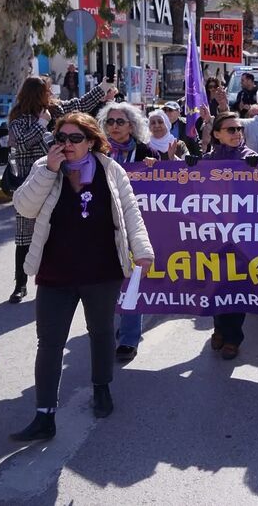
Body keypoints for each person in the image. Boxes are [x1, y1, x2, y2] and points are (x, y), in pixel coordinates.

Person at [9, 113, 153, 441]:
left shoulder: (110, 169)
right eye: (61, 138)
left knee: (101, 333)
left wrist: (142, 249)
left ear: (90, 141)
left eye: (75, 139)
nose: (67, 145)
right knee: (49, 343)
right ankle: (44, 415)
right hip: (55, 273)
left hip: (101, 271)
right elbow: (24, 208)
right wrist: (49, 170)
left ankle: (102, 388)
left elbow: (131, 212)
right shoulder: (45, 169)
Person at [6, 76, 115, 304]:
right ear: (37, 93)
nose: (51, 94)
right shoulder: (19, 118)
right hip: (31, 180)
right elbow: (22, 142)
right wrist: (41, 124)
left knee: (53, 228)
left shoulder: (55, 109)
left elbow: (81, 105)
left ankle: (52, 280)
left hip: (58, 180)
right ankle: (20, 284)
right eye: (46, 91)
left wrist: (103, 87)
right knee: (25, 234)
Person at [96, 102, 155, 362]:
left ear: (132, 125)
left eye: (120, 122)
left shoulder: (145, 152)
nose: (114, 127)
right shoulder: (96, 151)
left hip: (133, 225)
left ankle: (129, 339)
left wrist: (156, 167)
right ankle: (106, 330)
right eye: (110, 122)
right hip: (101, 226)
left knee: (132, 281)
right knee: (104, 284)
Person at [202, 112, 258, 359]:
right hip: (214, 232)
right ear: (217, 134)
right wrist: (189, 164)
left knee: (238, 283)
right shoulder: (207, 160)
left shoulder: (250, 158)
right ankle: (219, 327)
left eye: (239, 129)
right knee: (217, 282)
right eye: (230, 130)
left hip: (242, 234)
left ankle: (233, 338)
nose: (237, 133)